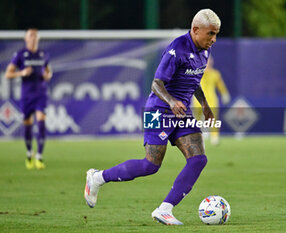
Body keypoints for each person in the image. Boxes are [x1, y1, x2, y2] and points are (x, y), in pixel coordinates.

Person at [84, 9, 221, 225]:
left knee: (198, 159)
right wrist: (171, 101)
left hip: (181, 113)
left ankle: (164, 209)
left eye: (216, 34)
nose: (213, 39)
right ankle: (97, 177)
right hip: (159, 109)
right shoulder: (177, 49)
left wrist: (204, 105)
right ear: (195, 30)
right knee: (150, 165)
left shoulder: (205, 51)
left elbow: (193, 82)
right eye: (210, 34)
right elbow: (156, 84)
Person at [5, 28, 52, 170]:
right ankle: (29, 153)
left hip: (40, 94)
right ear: (26, 38)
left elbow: (48, 72)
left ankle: (39, 156)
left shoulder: (43, 54)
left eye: (35, 36)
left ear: (37, 39)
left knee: (41, 121)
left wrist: (46, 76)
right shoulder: (20, 55)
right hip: (26, 95)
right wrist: (22, 72)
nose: (32, 38)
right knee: (28, 124)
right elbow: (8, 74)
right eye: (30, 36)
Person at [192, 55, 230, 145]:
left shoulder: (215, 74)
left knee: (213, 119)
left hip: (211, 99)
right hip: (198, 100)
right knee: (197, 120)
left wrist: (225, 94)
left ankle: (214, 138)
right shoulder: (197, 72)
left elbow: (220, 85)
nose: (208, 63)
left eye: (209, 61)